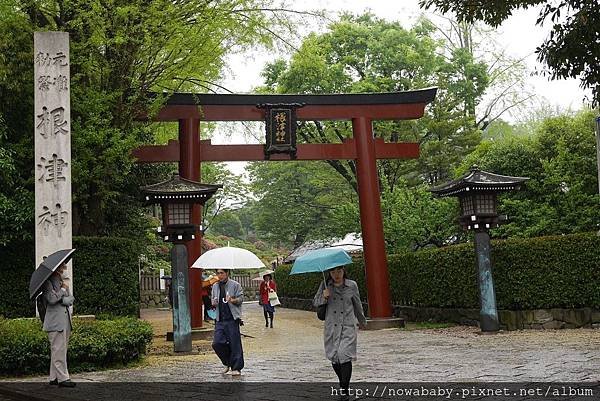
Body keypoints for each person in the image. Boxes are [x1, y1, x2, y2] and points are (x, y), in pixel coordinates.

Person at [313, 266, 367, 400]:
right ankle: (344, 386)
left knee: (344, 355)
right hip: (332, 327)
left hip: (347, 326)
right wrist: (324, 298)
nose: (336, 275)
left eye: (339, 271)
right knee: (335, 357)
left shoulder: (352, 285)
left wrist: (362, 320)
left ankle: (344, 390)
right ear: (329, 273)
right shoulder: (326, 285)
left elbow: (357, 304)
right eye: (333, 272)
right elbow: (315, 302)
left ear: (344, 271)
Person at [41, 263, 76, 388]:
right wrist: (62, 291)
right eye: (62, 267)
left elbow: (71, 299)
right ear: (56, 268)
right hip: (55, 322)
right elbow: (51, 299)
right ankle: (63, 378)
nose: (64, 269)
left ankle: (54, 377)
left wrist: (62, 297)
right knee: (58, 350)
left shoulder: (62, 282)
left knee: (60, 350)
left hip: (65, 320)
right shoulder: (47, 283)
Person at [211, 269, 244, 376]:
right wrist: (214, 302)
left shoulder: (235, 285)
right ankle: (227, 362)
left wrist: (232, 300)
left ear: (227, 273)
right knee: (217, 343)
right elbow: (212, 299)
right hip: (220, 319)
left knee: (235, 344)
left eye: (222, 273)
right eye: (218, 273)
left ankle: (236, 367)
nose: (220, 275)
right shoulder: (215, 286)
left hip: (232, 318)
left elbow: (240, 299)